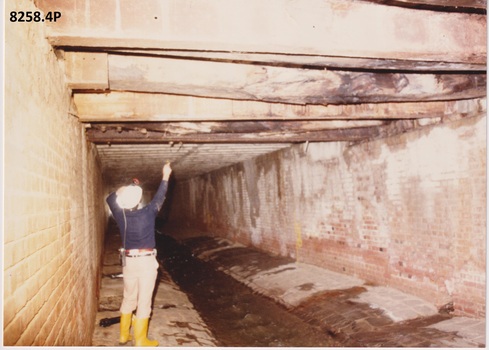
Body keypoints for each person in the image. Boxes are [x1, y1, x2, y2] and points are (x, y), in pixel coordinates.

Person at [106, 162, 172, 346]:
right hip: (145, 262)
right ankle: (141, 341)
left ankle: (123, 335)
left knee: (128, 298)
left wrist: (126, 187)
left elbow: (111, 197)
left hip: (129, 263)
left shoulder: (120, 215)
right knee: (144, 301)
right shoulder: (148, 213)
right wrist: (166, 175)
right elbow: (160, 196)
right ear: (138, 201)